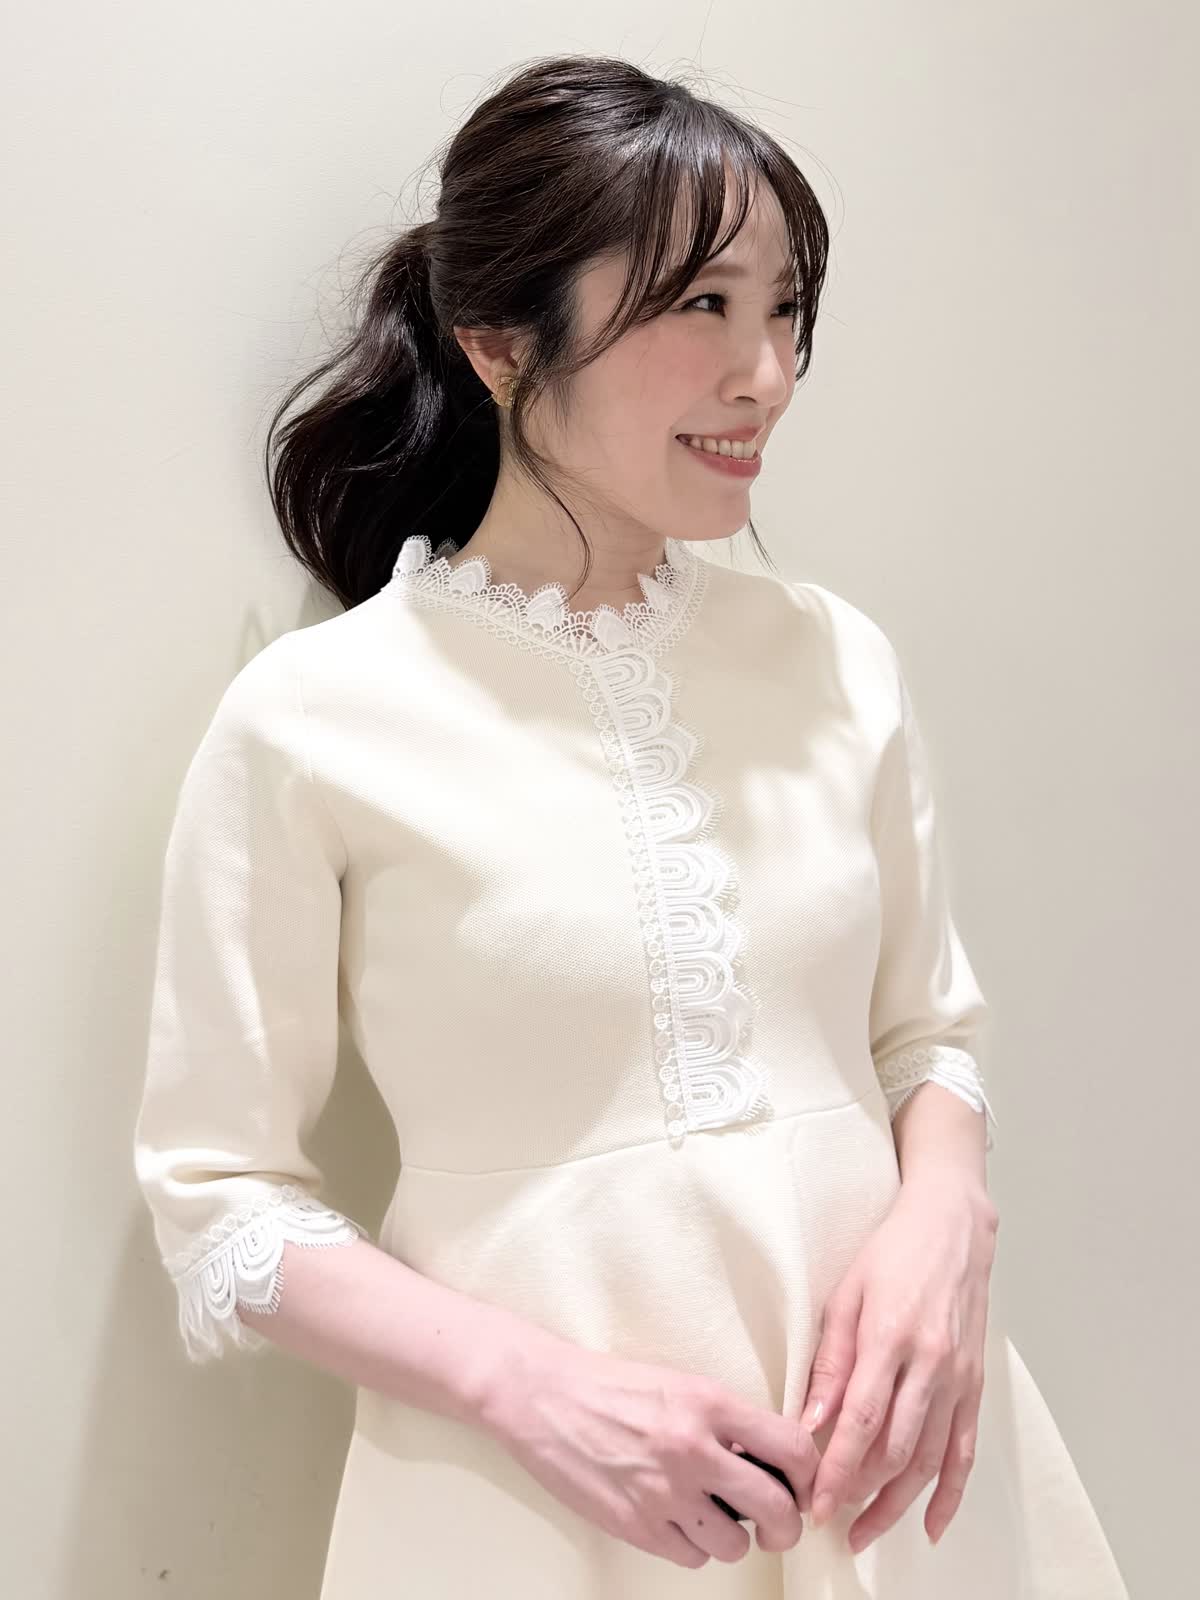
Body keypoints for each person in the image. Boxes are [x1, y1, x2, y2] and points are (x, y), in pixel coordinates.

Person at [132, 52, 1130, 1599]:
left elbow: (926, 1034)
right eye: (703, 306)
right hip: (536, 1511)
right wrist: (539, 1395)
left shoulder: (835, 659)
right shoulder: (312, 721)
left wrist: (949, 1220)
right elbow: (217, 1198)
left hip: (900, 1482)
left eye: (786, 308)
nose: (767, 374)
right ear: (499, 344)